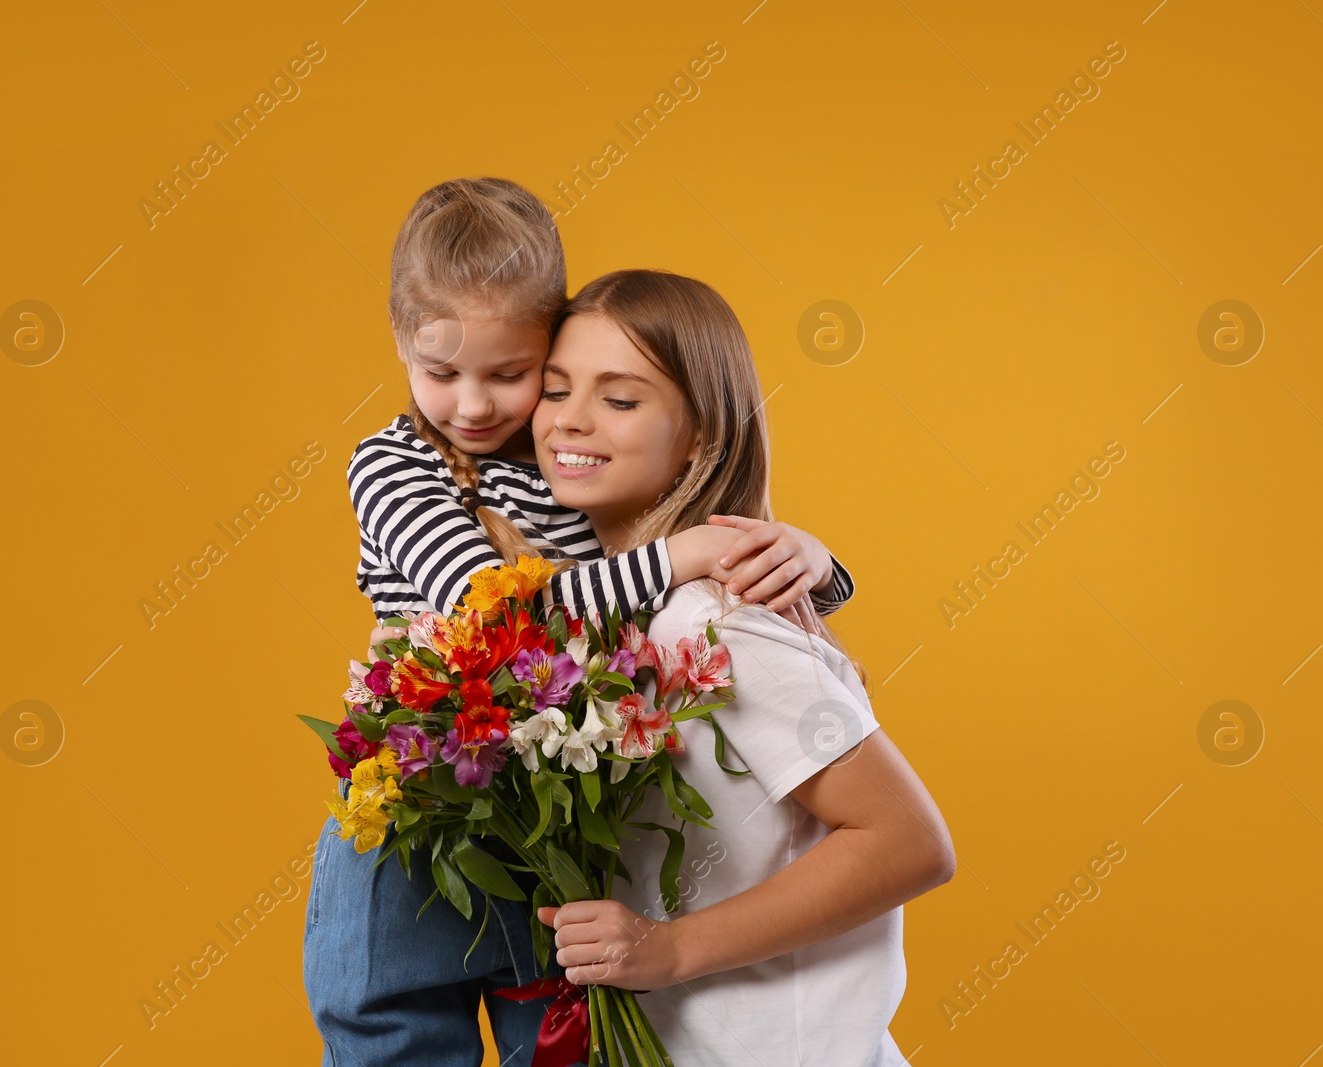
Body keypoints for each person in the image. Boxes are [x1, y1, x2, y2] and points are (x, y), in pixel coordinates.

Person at [304, 179, 863, 1067]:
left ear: (547, 341)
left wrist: (816, 564)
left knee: (562, 1042)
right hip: (424, 807)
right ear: (401, 340)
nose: (475, 405)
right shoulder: (396, 466)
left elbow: (691, 584)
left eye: (511, 373)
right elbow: (506, 615)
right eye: (441, 373)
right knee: (395, 1036)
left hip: (558, 812)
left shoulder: (566, 449)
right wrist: (685, 554)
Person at [533, 269, 956, 1066]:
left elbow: (909, 839)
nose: (571, 421)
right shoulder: (611, 622)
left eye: (619, 400)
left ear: (701, 436)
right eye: (555, 390)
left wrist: (670, 948)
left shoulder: (713, 623)